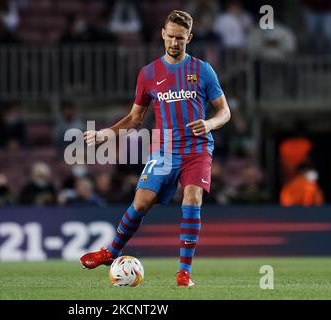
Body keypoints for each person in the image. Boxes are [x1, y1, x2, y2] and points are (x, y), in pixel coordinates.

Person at [79, 10, 231, 287]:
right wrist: (105, 134)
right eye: (171, 36)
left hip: (197, 149)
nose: (174, 43)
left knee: (192, 197)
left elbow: (224, 112)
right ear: (162, 34)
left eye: (181, 39)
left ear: (189, 38)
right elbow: (135, 118)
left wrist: (210, 124)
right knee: (141, 203)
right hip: (164, 151)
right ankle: (110, 253)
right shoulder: (148, 74)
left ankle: (184, 272)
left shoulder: (203, 70)